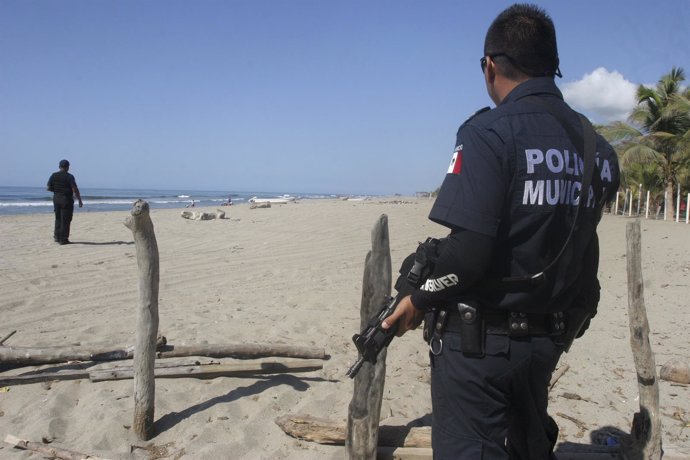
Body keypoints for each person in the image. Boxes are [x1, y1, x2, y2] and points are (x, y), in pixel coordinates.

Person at [382, 4, 620, 459]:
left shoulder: (487, 133)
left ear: (490, 65)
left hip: (479, 346)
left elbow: (469, 253)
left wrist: (419, 297)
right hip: (545, 340)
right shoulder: (598, 148)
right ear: (553, 67)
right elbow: (582, 244)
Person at [47, 159, 83, 245]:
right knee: (66, 219)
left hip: (56, 198)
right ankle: (63, 239)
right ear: (67, 167)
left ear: (59, 166)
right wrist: (79, 200)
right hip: (66, 199)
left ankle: (57, 236)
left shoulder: (53, 175)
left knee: (58, 218)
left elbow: (48, 188)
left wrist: (57, 191)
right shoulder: (69, 176)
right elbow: (74, 189)